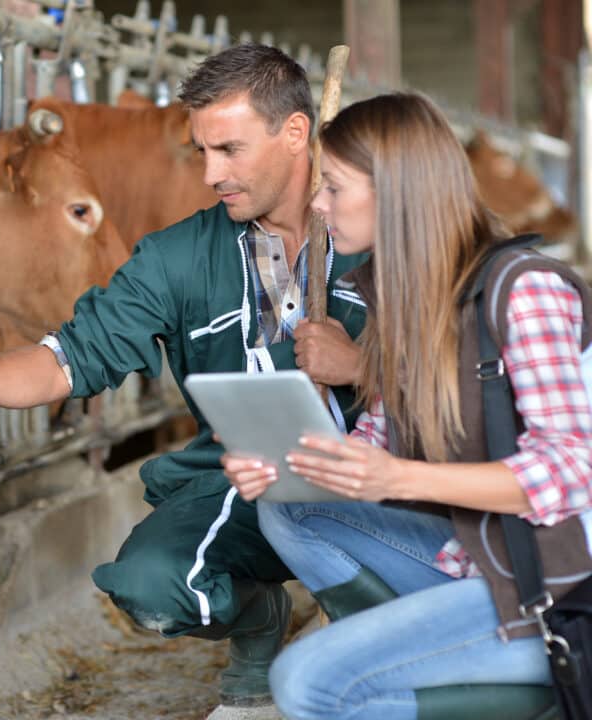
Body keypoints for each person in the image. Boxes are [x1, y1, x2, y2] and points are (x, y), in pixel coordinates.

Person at [0, 44, 370, 709]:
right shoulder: (178, 255)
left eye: (230, 150)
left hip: (378, 472)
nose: (211, 174)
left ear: (296, 133)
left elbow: (458, 369)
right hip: (245, 479)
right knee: (149, 587)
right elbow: (65, 360)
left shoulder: (374, 229)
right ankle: (258, 618)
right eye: (200, 152)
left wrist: (359, 366)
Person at [222, 92, 592, 720]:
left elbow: (569, 472)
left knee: (306, 681)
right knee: (291, 510)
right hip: (480, 556)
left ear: (395, 192)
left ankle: (402, 669)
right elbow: (376, 440)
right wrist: (290, 462)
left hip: (559, 589)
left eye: (333, 187)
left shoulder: (523, 290)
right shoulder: (405, 299)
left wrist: (399, 477)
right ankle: (404, 657)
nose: (316, 204)